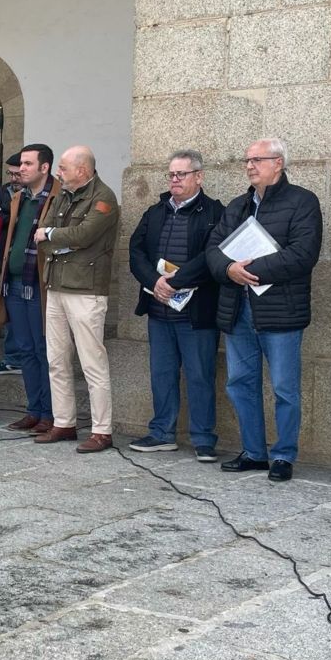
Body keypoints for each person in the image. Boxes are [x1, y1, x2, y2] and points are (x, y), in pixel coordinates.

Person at [207, 138, 323, 482]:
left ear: (279, 163)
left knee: (285, 387)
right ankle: (254, 452)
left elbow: (303, 254)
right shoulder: (238, 205)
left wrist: (252, 268)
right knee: (240, 383)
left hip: (280, 311)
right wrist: (228, 270)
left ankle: (284, 454)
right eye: (247, 159)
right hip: (238, 308)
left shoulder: (302, 201)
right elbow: (213, 248)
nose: (250, 166)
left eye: (258, 159)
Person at [127, 149, 224, 461]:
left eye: (181, 174)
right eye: (171, 174)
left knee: (200, 376)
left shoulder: (215, 213)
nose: (175, 179)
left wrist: (175, 282)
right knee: (162, 374)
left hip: (196, 314)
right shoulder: (155, 212)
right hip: (159, 309)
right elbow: (136, 250)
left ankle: (203, 438)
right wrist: (154, 282)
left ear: (199, 176)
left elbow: (214, 255)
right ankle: (162, 433)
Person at [33, 146, 120, 453]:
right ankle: (64, 422)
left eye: (65, 168)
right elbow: (41, 235)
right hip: (56, 284)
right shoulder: (62, 195)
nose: (59, 173)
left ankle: (101, 431)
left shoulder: (104, 198)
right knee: (56, 359)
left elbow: (83, 235)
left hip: (86, 290)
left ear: (83, 171)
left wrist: (53, 235)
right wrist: (55, 237)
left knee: (92, 362)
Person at [1, 143, 59, 434]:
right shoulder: (19, 198)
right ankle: (33, 410)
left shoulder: (57, 197)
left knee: (42, 349)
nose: (20, 169)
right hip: (15, 284)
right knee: (24, 349)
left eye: (27, 164)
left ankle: (49, 413)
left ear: (44, 167)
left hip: (40, 286)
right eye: (20, 164)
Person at [0, 152, 25, 376]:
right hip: (4, 257)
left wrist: (8, 215)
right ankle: (12, 357)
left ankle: (22, 357)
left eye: (17, 174)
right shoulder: (4, 191)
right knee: (9, 308)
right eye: (10, 173)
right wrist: (9, 216)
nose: (13, 178)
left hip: (27, 262)